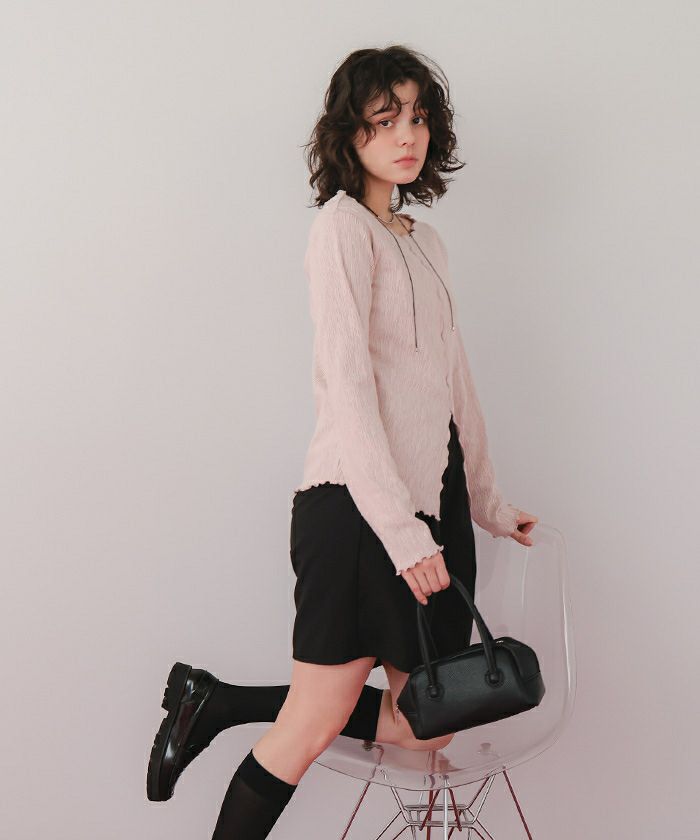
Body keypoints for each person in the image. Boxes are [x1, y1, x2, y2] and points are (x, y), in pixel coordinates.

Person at [146, 44, 537, 838]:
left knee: (429, 723)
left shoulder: (426, 243)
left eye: (417, 117)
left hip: (433, 510)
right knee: (311, 725)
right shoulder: (340, 230)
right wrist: (401, 532)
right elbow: (349, 390)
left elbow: (455, 385)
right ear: (349, 133)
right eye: (385, 120)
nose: (407, 135)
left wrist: (489, 503)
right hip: (360, 514)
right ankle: (212, 706)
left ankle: (217, 701)